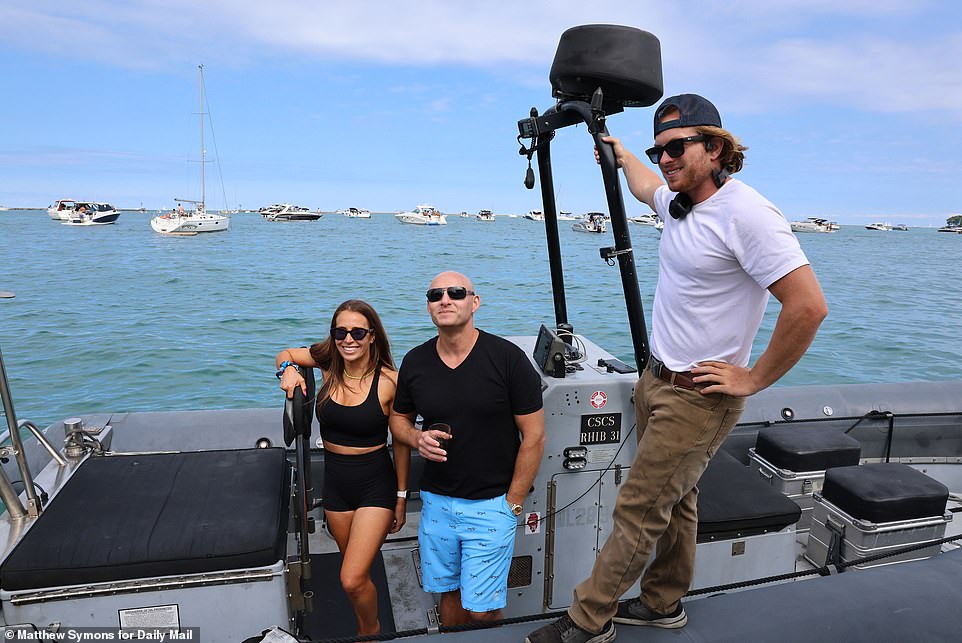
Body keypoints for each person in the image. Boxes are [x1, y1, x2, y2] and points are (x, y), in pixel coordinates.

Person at [526, 94, 827, 643]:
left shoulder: (748, 214)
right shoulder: (680, 202)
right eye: (657, 149)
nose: (664, 159)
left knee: (639, 507)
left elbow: (808, 306)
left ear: (715, 149)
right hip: (657, 381)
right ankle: (663, 603)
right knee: (677, 500)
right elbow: (646, 188)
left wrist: (753, 378)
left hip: (698, 399)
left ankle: (588, 620)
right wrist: (620, 155)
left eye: (676, 147)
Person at [389, 271, 546, 626]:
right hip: (437, 503)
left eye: (456, 292)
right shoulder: (415, 361)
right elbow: (398, 420)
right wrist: (416, 437)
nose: (445, 299)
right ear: (428, 307)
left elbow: (534, 436)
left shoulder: (507, 359)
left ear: (474, 302)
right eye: (435, 295)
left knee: (482, 609)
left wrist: (512, 504)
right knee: (449, 593)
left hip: (492, 504)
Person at [275, 299, 410, 639]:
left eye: (358, 332)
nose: (348, 339)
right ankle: (369, 623)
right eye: (341, 332)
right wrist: (288, 369)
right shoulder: (328, 362)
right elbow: (285, 353)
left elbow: (401, 442)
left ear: (372, 335)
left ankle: (370, 631)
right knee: (356, 575)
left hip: (375, 484)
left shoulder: (390, 381)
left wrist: (401, 497)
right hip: (336, 485)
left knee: (350, 577)